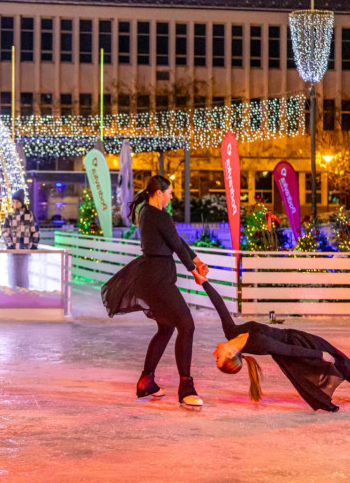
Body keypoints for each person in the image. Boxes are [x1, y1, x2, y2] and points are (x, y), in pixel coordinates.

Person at [100, 175, 208, 409]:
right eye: (169, 192)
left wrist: (197, 260)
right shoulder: (158, 215)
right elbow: (177, 246)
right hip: (157, 279)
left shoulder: (147, 213)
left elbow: (175, 240)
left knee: (167, 327)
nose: (171, 196)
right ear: (159, 192)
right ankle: (186, 388)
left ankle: (146, 381)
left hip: (152, 276)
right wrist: (195, 272)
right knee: (187, 325)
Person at [194, 272, 350, 412]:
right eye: (218, 358)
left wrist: (204, 283)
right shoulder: (258, 343)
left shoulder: (231, 333)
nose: (214, 353)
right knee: (338, 362)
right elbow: (289, 350)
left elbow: (220, 306)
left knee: (341, 361)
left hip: (294, 340)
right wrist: (320, 354)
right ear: (230, 354)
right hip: (297, 346)